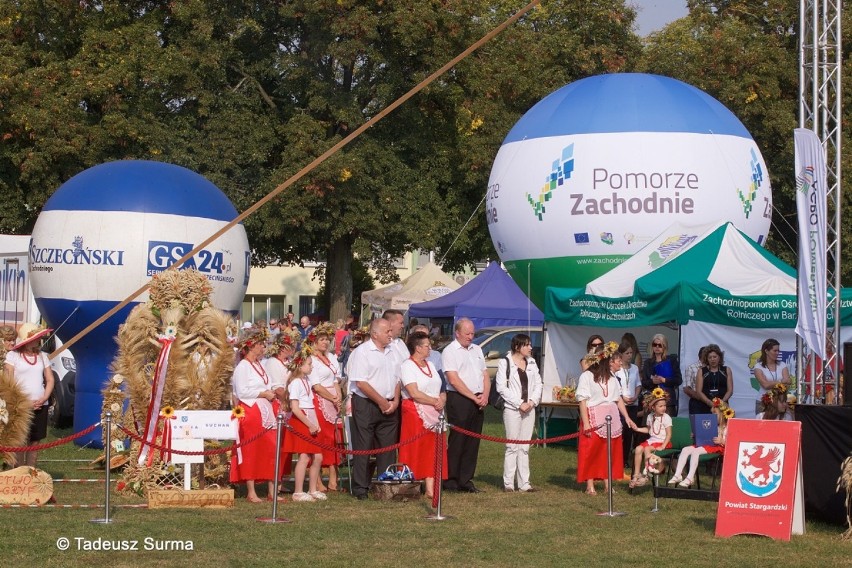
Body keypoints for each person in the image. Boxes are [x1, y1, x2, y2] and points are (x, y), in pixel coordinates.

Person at [229, 327, 287, 502]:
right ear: (251, 346)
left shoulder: (260, 365)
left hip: (266, 411)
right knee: (251, 450)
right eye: (260, 344)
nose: (263, 347)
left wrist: (271, 394)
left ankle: (272, 490)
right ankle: (251, 491)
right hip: (251, 411)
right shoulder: (243, 367)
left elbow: (267, 383)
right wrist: (263, 394)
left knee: (271, 448)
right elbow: (242, 392)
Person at [347, 318, 400, 500]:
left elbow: (397, 378)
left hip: (389, 403)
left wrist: (395, 400)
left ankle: (385, 484)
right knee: (364, 446)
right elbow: (361, 382)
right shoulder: (362, 352)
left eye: (391, 331)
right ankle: (360, 487)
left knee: (387, 447)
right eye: (387, 332)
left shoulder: (392, 352)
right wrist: (382, 402)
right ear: (375, 333)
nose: (391, 335)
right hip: (366, 404)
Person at [576, 340, 637, 495]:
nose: (613, 362)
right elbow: (582, 401)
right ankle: (590, 485)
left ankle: (607, 483)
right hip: (594, 416)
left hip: (611, 417)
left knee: (608, 451)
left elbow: (617, 399)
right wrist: (587, 423)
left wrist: (627, 417)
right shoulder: (587, 376)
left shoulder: (611, 377)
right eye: (611, 359)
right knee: (592, 451)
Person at [442, 318, 489, 493]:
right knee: (458, 440)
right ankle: (451, 480)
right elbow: (453, 379)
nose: (471, 337)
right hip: (459, 399)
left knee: (473, 441)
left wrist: (484, 395)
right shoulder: (450, 351)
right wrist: (472, 397)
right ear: (458, 333)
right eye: (467, 333)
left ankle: (466, 479)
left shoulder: (477, 349)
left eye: (472, 333)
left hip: (477, 398)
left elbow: (484, 374)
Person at [398, 331, 448, 499]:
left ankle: (431, 486)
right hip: (416, 412)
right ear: (418, 348)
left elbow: (441, 387)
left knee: (433, 449)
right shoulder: (407, 366)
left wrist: (441, 398)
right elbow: (414, 392)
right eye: (427, 346)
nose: (430, 348)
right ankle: (410, 483)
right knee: (417, 448)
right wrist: (434, 401)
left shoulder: (431, 365)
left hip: (435, 411)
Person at [496, 333, 543, 492]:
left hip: (529, 409)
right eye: (527, 345)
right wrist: (519, 403)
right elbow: (501, 387)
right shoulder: (505, 362)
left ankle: (524, 483)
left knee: (524, 447)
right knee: (512, 446)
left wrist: (532, 402)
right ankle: (508, 483)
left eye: (530, 344)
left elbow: (538, 384)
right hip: (512, 409)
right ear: (517, 346)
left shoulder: (532, 362)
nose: (531, 347)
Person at [4, 324, 54, 467]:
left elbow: (50, 379)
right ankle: (19, 472)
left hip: (40, 404)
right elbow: (9, 381)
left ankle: (31, 470)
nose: (39, 340)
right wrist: (23, 402)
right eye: (36, 337)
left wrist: (44, 398)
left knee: (35, 440)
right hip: (21, 405)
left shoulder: (43, 356)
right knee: (20, 440)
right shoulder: (13, 356)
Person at [282, 348, 325, 502]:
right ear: (300, 366)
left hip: (310, 418)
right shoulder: (295, 383)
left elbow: (311, 404)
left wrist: (316, 423)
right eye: (309, 364)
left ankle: (313, 489)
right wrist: (309, 424)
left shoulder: (307, 381)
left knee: (318, 457)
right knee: (304, 456)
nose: (311, 367)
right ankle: (298, 491)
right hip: (301, 420)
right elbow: (295, 408)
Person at [307, 322, 343, 493]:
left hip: (333, 399)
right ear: (314, 342)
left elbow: (336, 379)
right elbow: (316, 386)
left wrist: (338, 397)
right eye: (322, 339)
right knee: (321, 439)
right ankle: (318, 480)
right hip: (320, 400)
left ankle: (333, 480)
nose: (325, 342)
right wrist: (332, 398)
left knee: (336, 437)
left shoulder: (332, 357)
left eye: (327, 340)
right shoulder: (311, 359)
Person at [669, 398, 733, 488]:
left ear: (723, 414)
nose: (713, 416)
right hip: (706, 445)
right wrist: (696, 435)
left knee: (696, 451)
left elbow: (732, 442)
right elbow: (704, 436)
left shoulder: (728, 426)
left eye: (715, 414)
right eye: (712, 414)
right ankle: (678, 474)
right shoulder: (712, 425)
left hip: (717, 447)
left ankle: (690, 477)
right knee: (685, 449)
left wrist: (722, 441)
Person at [629, 389, 672, 488]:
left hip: (662, 441)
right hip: (652, 441)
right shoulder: (650, 417)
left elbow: (669, 434)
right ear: (653, 407)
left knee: (647, 449)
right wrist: (638, 429)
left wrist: (663, 446)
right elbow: (649, 430)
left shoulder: (666, 418)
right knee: (639, 448)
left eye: (664, 405)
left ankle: (647, 474)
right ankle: (636, 475)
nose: (663, 408)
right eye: (660, 406)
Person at [615, 340, 641, 471]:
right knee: (620, 431)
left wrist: (636, 396)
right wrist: (622, 397)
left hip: (633, 404)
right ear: (621, 354)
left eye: (631, 353)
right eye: (627, 353)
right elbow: (615, 385)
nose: (630, 355)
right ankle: (617, 459)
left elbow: (638, 384)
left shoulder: (635, 368)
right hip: (621, 404)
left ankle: (625, 459)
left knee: (629, 432)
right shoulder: (617, 369)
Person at [641, 334, 682, 416]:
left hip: (668, 402)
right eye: (654, 345)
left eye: (659, 345)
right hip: (652, 401)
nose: (657, 347)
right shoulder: (648, 363)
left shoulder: (672, 360)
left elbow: (678, 380)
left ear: (664, 347)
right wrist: (653, 381)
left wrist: (664, 380)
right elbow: (644, 383)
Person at [753, 338, 791, 414]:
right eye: (775, 351)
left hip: (780, 403)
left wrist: (772, 383)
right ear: (766, 351)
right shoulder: (758, 366)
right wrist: (780, 381)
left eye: (778, 351)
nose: (777, 353)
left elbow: (788, 382)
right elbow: (765, 385)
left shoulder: (782, 364)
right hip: (763, 402)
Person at [693, 344, 733, 414]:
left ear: (719, 357)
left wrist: (722, 402)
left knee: (723, 424)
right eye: (710, 357)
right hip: (705, 406)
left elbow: (730, 390)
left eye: (715, 357)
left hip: (723, 406)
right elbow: (699, 391)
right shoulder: (701, 371)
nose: (712, 359)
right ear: (707, 359)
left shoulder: (726, 370)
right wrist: (709, 402)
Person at [683, 346, 708, 415]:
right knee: (696, 425)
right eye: (706, 353)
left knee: (711, 424)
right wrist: (701, 398)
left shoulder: (712, 368)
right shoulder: (691, 368)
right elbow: (686, 388)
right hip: (697, 402)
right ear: (700, 355)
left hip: (711, 402)